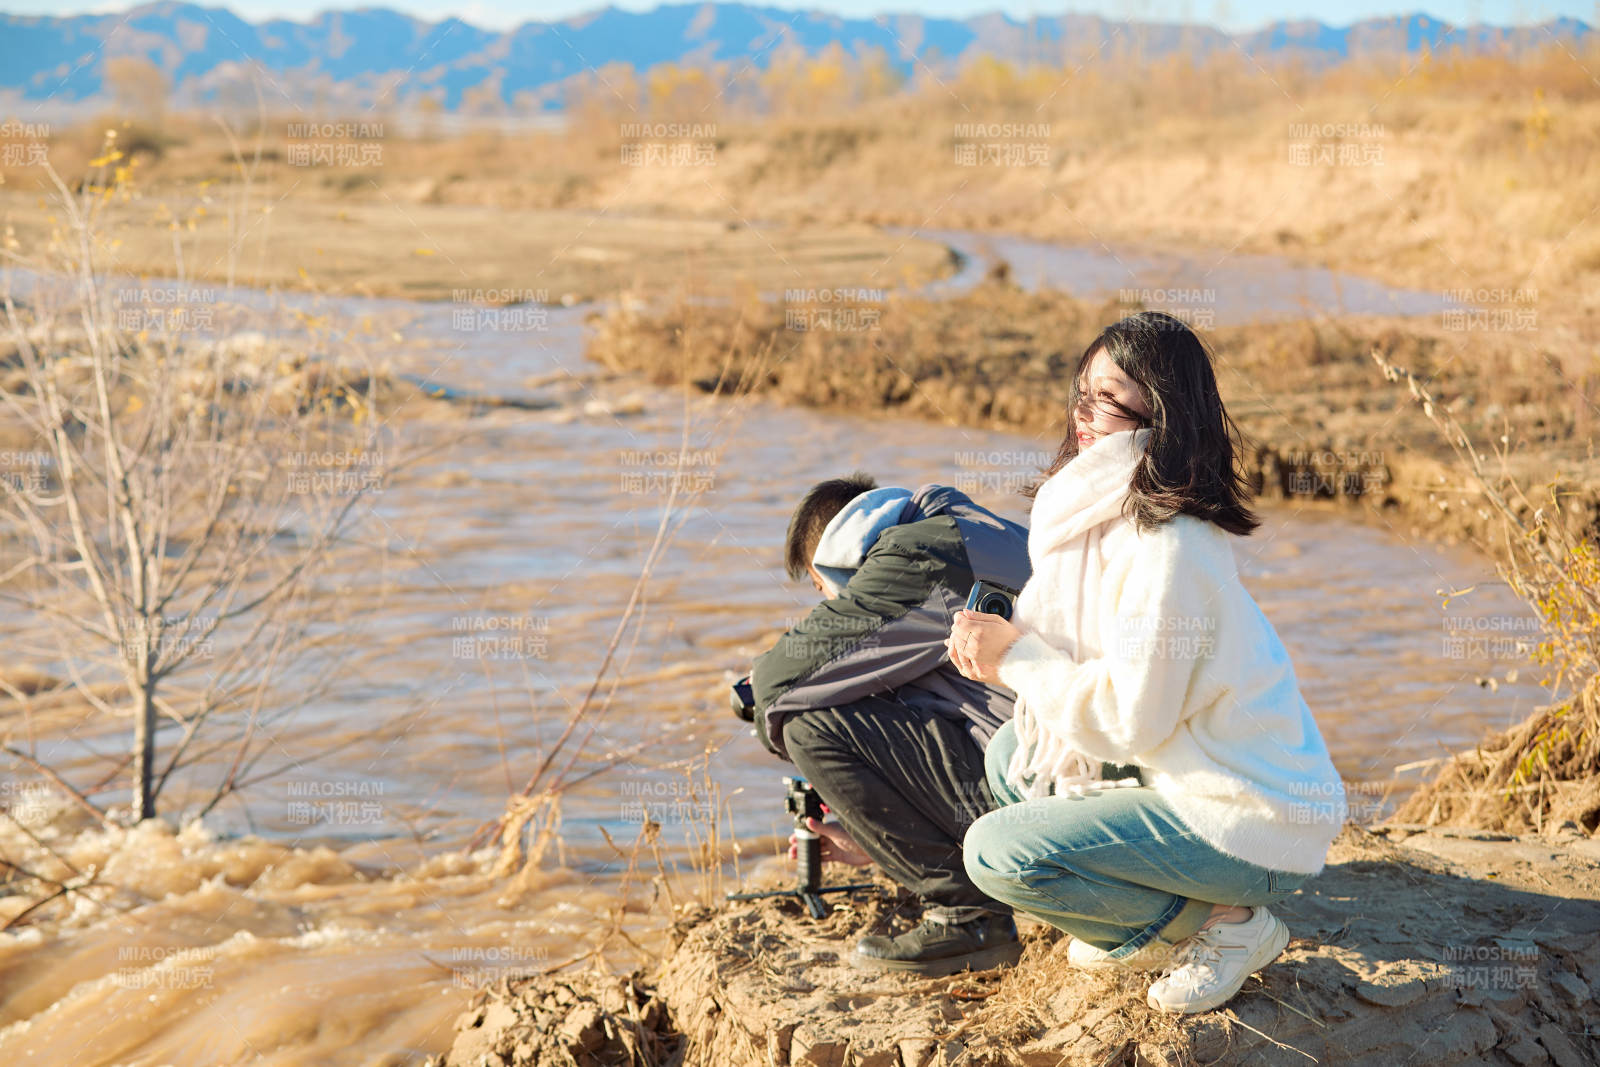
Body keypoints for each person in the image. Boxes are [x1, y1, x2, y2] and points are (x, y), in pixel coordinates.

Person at [948, 311, 1347, 1015]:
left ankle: (1227, 924)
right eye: (1082, 392)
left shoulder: (1172, 545)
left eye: (1107, 396)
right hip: (1184, 765)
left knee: (995, 853)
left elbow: (1130, 718)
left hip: (1250, 811)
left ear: (1162, 412)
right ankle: (1159, 914)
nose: (1083, 412)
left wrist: (1016, 660)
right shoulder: (1096, 515)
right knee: (1014, 755)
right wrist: (1011, 651)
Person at [749, 473, 1031, 975]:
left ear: (832, 559)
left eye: (824, 592)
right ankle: (969, 900)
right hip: (1066, 767)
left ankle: (969, 918)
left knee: (806, 725)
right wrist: (877, 829)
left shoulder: (919, 555)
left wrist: (752, 696)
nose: (831, 606)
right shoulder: (975, 530)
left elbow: (775, 687)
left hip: (1041, 787)